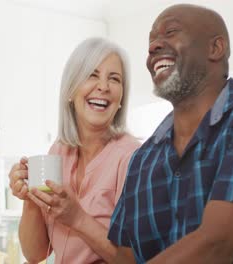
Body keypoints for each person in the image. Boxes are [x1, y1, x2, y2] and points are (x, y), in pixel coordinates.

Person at [108, 4, 233, 263]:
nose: (153, 47)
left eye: (170, 32)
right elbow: (124, 254)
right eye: (151, 40)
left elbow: (218, 243)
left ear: (216, 48)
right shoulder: (141, 160)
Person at [8, 37, 141, 263]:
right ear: (71, 90)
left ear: (121, 98)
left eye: (114, 79)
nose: (103, 87)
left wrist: (77, 218)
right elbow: (35, 253)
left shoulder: (133, 157)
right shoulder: (58, 152)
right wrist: (30, 199)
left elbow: (135, 258)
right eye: (92, 75)